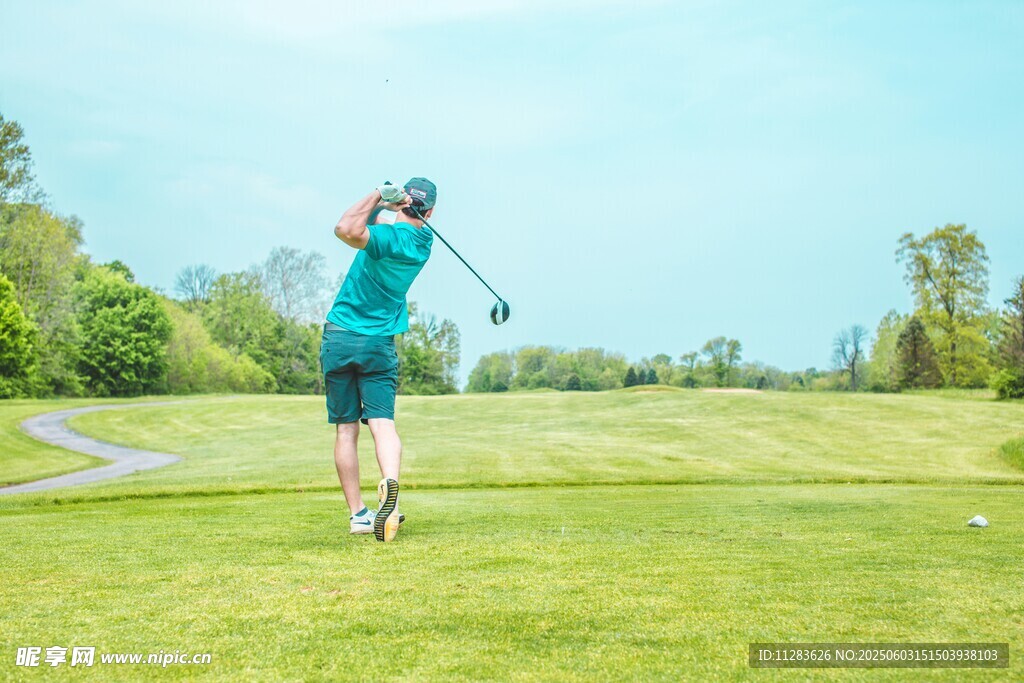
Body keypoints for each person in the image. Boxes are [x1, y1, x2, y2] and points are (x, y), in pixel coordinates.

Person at [322, 178, 436, 542]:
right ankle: (391, 492)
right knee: (382, 423)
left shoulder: (386, 238)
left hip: (339, 337)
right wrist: (391, 207)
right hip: (378, 346)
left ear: (403, 204)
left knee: (346, 428)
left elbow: (345, 228)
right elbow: (370, 230)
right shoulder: (423, 244)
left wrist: (378, 195)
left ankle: (358, 515)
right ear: (430, 212)